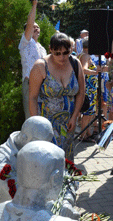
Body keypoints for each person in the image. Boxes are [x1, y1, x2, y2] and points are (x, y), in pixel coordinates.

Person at [28, 32, 85, 160]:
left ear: (71, 49)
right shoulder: (40, 66)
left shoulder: (75, 63)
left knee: (67, 159)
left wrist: (75, 117)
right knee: (48, 160)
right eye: (57, 53)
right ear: (50, 49)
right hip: (47, 124)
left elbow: (81, 92)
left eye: (66, 52)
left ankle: (67, 180)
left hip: (68, 123)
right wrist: (37, 124)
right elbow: (32, 97)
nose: (62, 57)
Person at [0, 116, 54, 206]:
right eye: (38, 143)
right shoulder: (2, 161)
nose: (43, 149)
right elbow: (17, 195)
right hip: (6, 211)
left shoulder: (34, 149)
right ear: (24, 138)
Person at [19, 0, 47, 120]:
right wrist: (35, 5)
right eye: (33, 27)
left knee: (42, 116)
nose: (36, 28)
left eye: (38, 27)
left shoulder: (42, 48)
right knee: (31, 117)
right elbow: (29, 24)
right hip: (30, 83)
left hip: (43, 85)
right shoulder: (25, 43)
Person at [78, 38, 109, 142]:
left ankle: (87, 133)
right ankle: (83, 135)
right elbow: (83, 69)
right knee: (87, 113)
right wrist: (95, 72)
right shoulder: (86, 56)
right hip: (88, 89)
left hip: (88, 88)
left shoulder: (81, 55)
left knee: (89, 113)